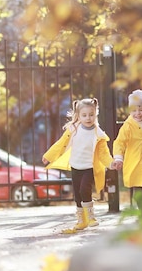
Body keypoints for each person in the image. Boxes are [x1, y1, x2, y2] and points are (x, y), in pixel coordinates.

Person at [42, 98, 115, 233]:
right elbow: (60, 143)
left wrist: (111, 163)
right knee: (77, 194)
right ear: (78, 116)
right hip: (76, 166)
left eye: (91, 114)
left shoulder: (98, 134)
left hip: (89, 168)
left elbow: (104, 153)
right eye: (84, 115)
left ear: (96, 114)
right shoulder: (73, 129)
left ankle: (91, 217)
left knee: (84, 190)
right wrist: (48, 156)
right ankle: (81, 220)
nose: (88, 118)